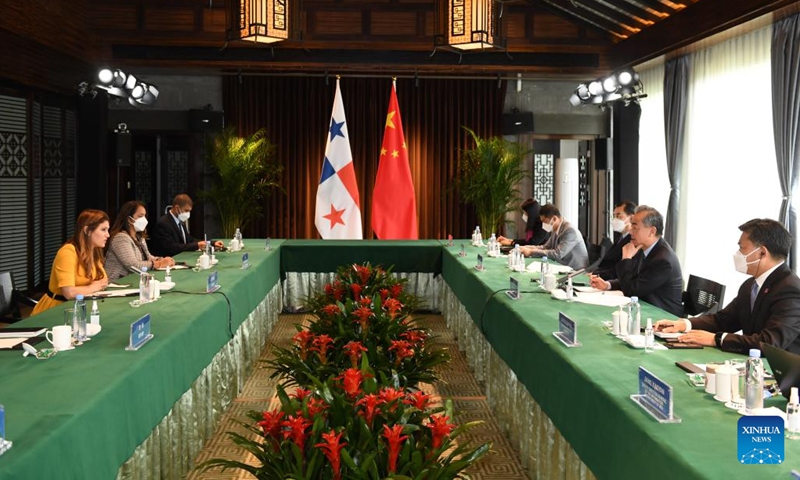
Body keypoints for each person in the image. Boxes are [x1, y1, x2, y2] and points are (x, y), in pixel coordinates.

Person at [656, 218, 800, 354]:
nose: (738, 254)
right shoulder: (750, 285)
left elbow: (770, 343)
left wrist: (716, 339)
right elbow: (724, 320)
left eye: (742, 248)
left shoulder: (790, 289)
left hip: (782, 374)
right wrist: (684, 324)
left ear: (762, 253)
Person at [589, 206, 683, 316]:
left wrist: (626, 259)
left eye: (635, 228)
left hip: (662, 316)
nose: (630, 232)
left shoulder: (663, 260)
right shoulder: (642, 248)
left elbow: (632, 290)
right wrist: (608, 285)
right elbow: (633, 279)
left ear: (652, 231)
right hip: (644, 309)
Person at [32, 209, 110, 315]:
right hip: (56, 310)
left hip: (80, 307)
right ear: (87, 231)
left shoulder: (94, 251)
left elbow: (104, 281)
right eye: (103, 230)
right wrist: (93, 287)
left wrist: (87, 288)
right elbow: (69, 293)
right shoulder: (67, 252)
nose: (108, 235)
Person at [105, 200, 175, 281]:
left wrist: (162, 260)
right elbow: (132, 265)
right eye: (140, 216)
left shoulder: (139, 237)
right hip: (118, 283)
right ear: (129, 219)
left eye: (145, 216)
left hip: (134, 280)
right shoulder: (120, 238)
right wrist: (158, 264)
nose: (144, 219)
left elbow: (148, 257)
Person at [148, 194, 223, 257]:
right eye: (186, 210)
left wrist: (211, 243)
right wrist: (196, 245)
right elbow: (171, 247)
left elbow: (189, 240)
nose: (188, 214)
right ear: (177, 208)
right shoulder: (163, 223)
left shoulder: (180, 221)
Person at [519, 204, 589, 270]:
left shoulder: (570, 231)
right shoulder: (555, 229)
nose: (543, 224)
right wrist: (526, 247)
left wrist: (531, 252)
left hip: (575, 271)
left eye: (544, 221)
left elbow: (558, 254)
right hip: (562, 266)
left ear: (554, 219)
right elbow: (545, 247)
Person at [594, 200, 636, 280]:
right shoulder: (621, 237)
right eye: (614, 216)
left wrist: (597, 275)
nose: (615, 219)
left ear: (631, 218)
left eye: (619, 216)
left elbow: (617, 268)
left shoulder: (632, 240)